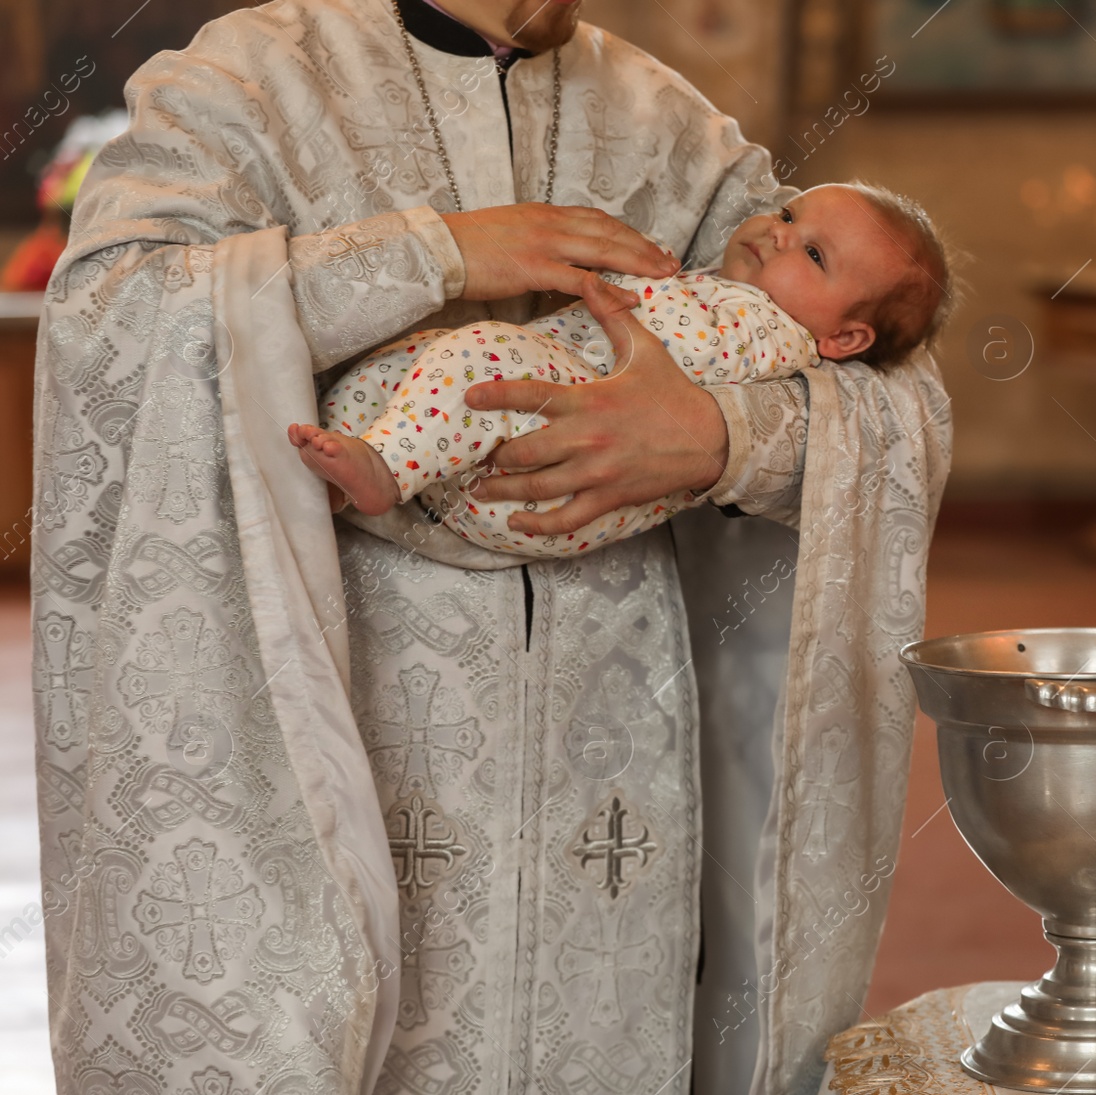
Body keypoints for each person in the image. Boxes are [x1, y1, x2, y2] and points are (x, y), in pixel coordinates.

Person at [30, 2, 950, 1095]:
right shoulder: (253, 78)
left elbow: (898, 397)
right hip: (353, 709)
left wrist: (716, 437)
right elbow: (107, 327)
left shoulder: (670, 127)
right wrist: (430, 254)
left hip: (613, 763)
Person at [288, 182, 952, 556]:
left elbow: (698, 352)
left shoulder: (774, 332)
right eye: (786, 214)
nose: (778, 232)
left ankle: (384, 469)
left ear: (845, 337)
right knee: (419, 358)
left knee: (477, 351)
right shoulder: (729, 290)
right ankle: (357, 466)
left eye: (811, 254)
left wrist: (614, 282)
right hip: (507, 458)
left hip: (560, 479)